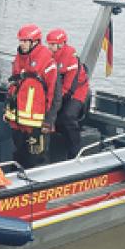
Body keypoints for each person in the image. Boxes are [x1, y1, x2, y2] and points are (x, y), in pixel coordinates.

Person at [4, 24, 60, 168]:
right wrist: (7, 110)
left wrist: (48, 121)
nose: (21, 44)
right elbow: (13, 87)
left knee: (36, 158)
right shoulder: (18, 58)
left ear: (34, 42)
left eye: (24, 41)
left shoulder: (47, 61)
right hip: (18, 121)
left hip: (37, 124)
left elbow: (54, 94)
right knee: (18, 154)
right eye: (20, 41)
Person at [46, 28, 90, 159]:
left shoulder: (71, 59)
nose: (50, 47)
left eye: (53, 44)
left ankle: (76, 151)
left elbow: (69, 87)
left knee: (67, 117)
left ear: (62, 44)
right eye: (49, 44)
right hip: (57, 91)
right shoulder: (48, 56)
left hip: (77, 91)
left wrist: (55, 104)